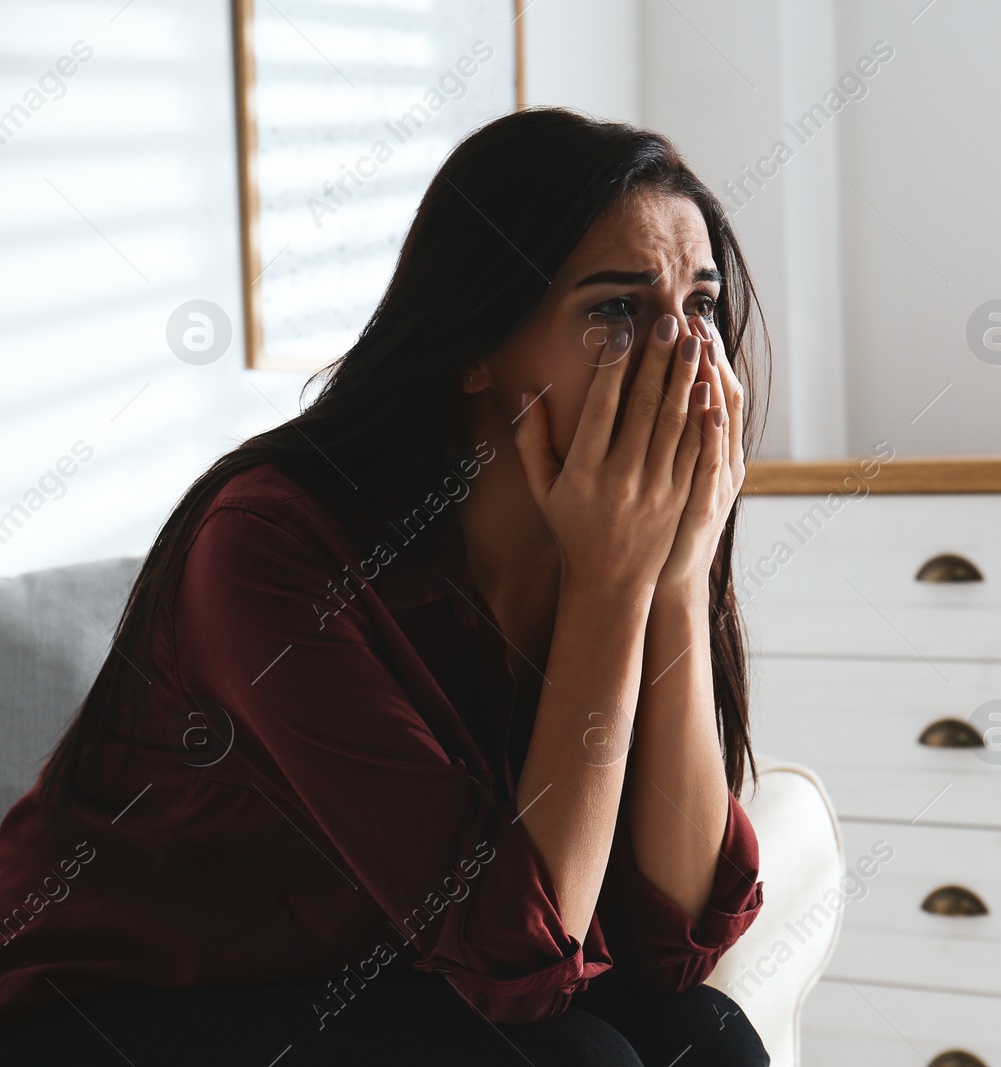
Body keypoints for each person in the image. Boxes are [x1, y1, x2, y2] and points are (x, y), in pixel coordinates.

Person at [0, 107, 771, 1067]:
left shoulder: (626, 545)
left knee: (711, 1042)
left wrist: (678, 578)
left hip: (374, 975)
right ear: (476, 348)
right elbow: (522, 961)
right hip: (104, 1008)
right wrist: (614, 587)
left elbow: (676, 941)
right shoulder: (269, 543)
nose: (682, 354)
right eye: (616, 309)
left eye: (699, 306)